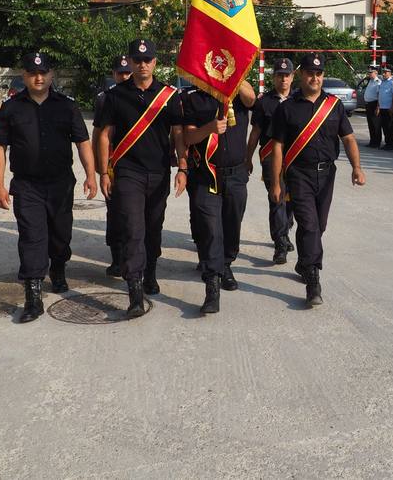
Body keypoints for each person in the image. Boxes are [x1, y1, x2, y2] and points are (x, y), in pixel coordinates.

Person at [0, 53, 97, 323]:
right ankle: (33, 295)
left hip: (60, 183)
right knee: (32, 237)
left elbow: (83, 142)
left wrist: (91, 175)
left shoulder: (67, 107)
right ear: (24, 75)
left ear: (52, 75)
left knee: (61, 235)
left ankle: (58, 267)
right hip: (27, 185)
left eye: (44, 72)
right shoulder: (11, 108)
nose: (39, 77)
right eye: (32, 73)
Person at [97, 39, 187, 318]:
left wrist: (182, 167)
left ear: (155, 63)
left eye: (147, 60)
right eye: (137, 60)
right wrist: (103, 172)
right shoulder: (114, 96)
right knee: (133, 230)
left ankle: (150, 273)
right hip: (128, 173)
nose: (142, 64)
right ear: (131, 62)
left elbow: (179, 133)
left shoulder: (169, 96)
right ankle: (135, 291)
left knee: (153, 228)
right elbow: (103, 135)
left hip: (159, 171)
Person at [268, 53, 366, 307]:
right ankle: (313, 279)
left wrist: (357, 167)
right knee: (309, 224)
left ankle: (304, 261)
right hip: (299, 174)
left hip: (327, 174)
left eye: (319, 73)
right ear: (301, 75)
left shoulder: (333, 106)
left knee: (318, 225)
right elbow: (277, 146)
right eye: (311, 73)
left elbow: (348, 139)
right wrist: (276, 182)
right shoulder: (286, 108)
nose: (315, 78)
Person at [184, 77, 257, 313]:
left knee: (232, 224)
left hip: (236, 174)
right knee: (210, 228)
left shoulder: (239, 94)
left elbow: (252, 98)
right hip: (206, 174)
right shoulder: (194, 98)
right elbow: (188, 137)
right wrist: (209, 129)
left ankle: (226, 263)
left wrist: (236, 75)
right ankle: (212, 285)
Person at [246, 58, 295, 265]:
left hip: (295, 159)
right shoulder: (264, 102)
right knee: (277, 199)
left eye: (287, 75)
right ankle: (280, 243)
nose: (283, 79)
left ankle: (285, 230)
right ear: (273, 77)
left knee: (292, 200)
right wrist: (247, 157)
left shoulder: (300, 99)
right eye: (279, 75)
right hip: (269, 158)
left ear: (293, 77)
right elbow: (256, 131)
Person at [92, 55, 132, 277]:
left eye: (127, 73)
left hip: (135, 164)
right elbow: (98, 134)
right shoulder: (104, 99)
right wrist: (99, 168)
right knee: (114, 212)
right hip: (112, 163)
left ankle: (134, 257)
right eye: (120, 73)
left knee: (135, 215)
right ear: (114, 74)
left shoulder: (141, 96)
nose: (124, 76)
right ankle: (117, 257)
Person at [376, 65, 393, 150]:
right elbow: (380, 95)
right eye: (383, 72)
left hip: (389, 108)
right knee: (384, 126)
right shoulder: (382, 82)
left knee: (390, 126)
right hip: (382, 107)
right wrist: (378, 106)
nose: (384, 74)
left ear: (390, 73)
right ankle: (387, 143)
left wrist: (392, 107)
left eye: (386, 72)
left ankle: (390, 144)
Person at [363, 65, 381, 148]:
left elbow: (379, 96)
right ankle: (372, 141)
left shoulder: (378, 82)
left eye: (371, 72)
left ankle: (377, 142)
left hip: (374, 104)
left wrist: (378, 107)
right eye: (369, 72)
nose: (369, 74)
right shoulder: (370, 81)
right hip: (368, 105)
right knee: (370, 124)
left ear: (376, 73)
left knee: (375, 124)